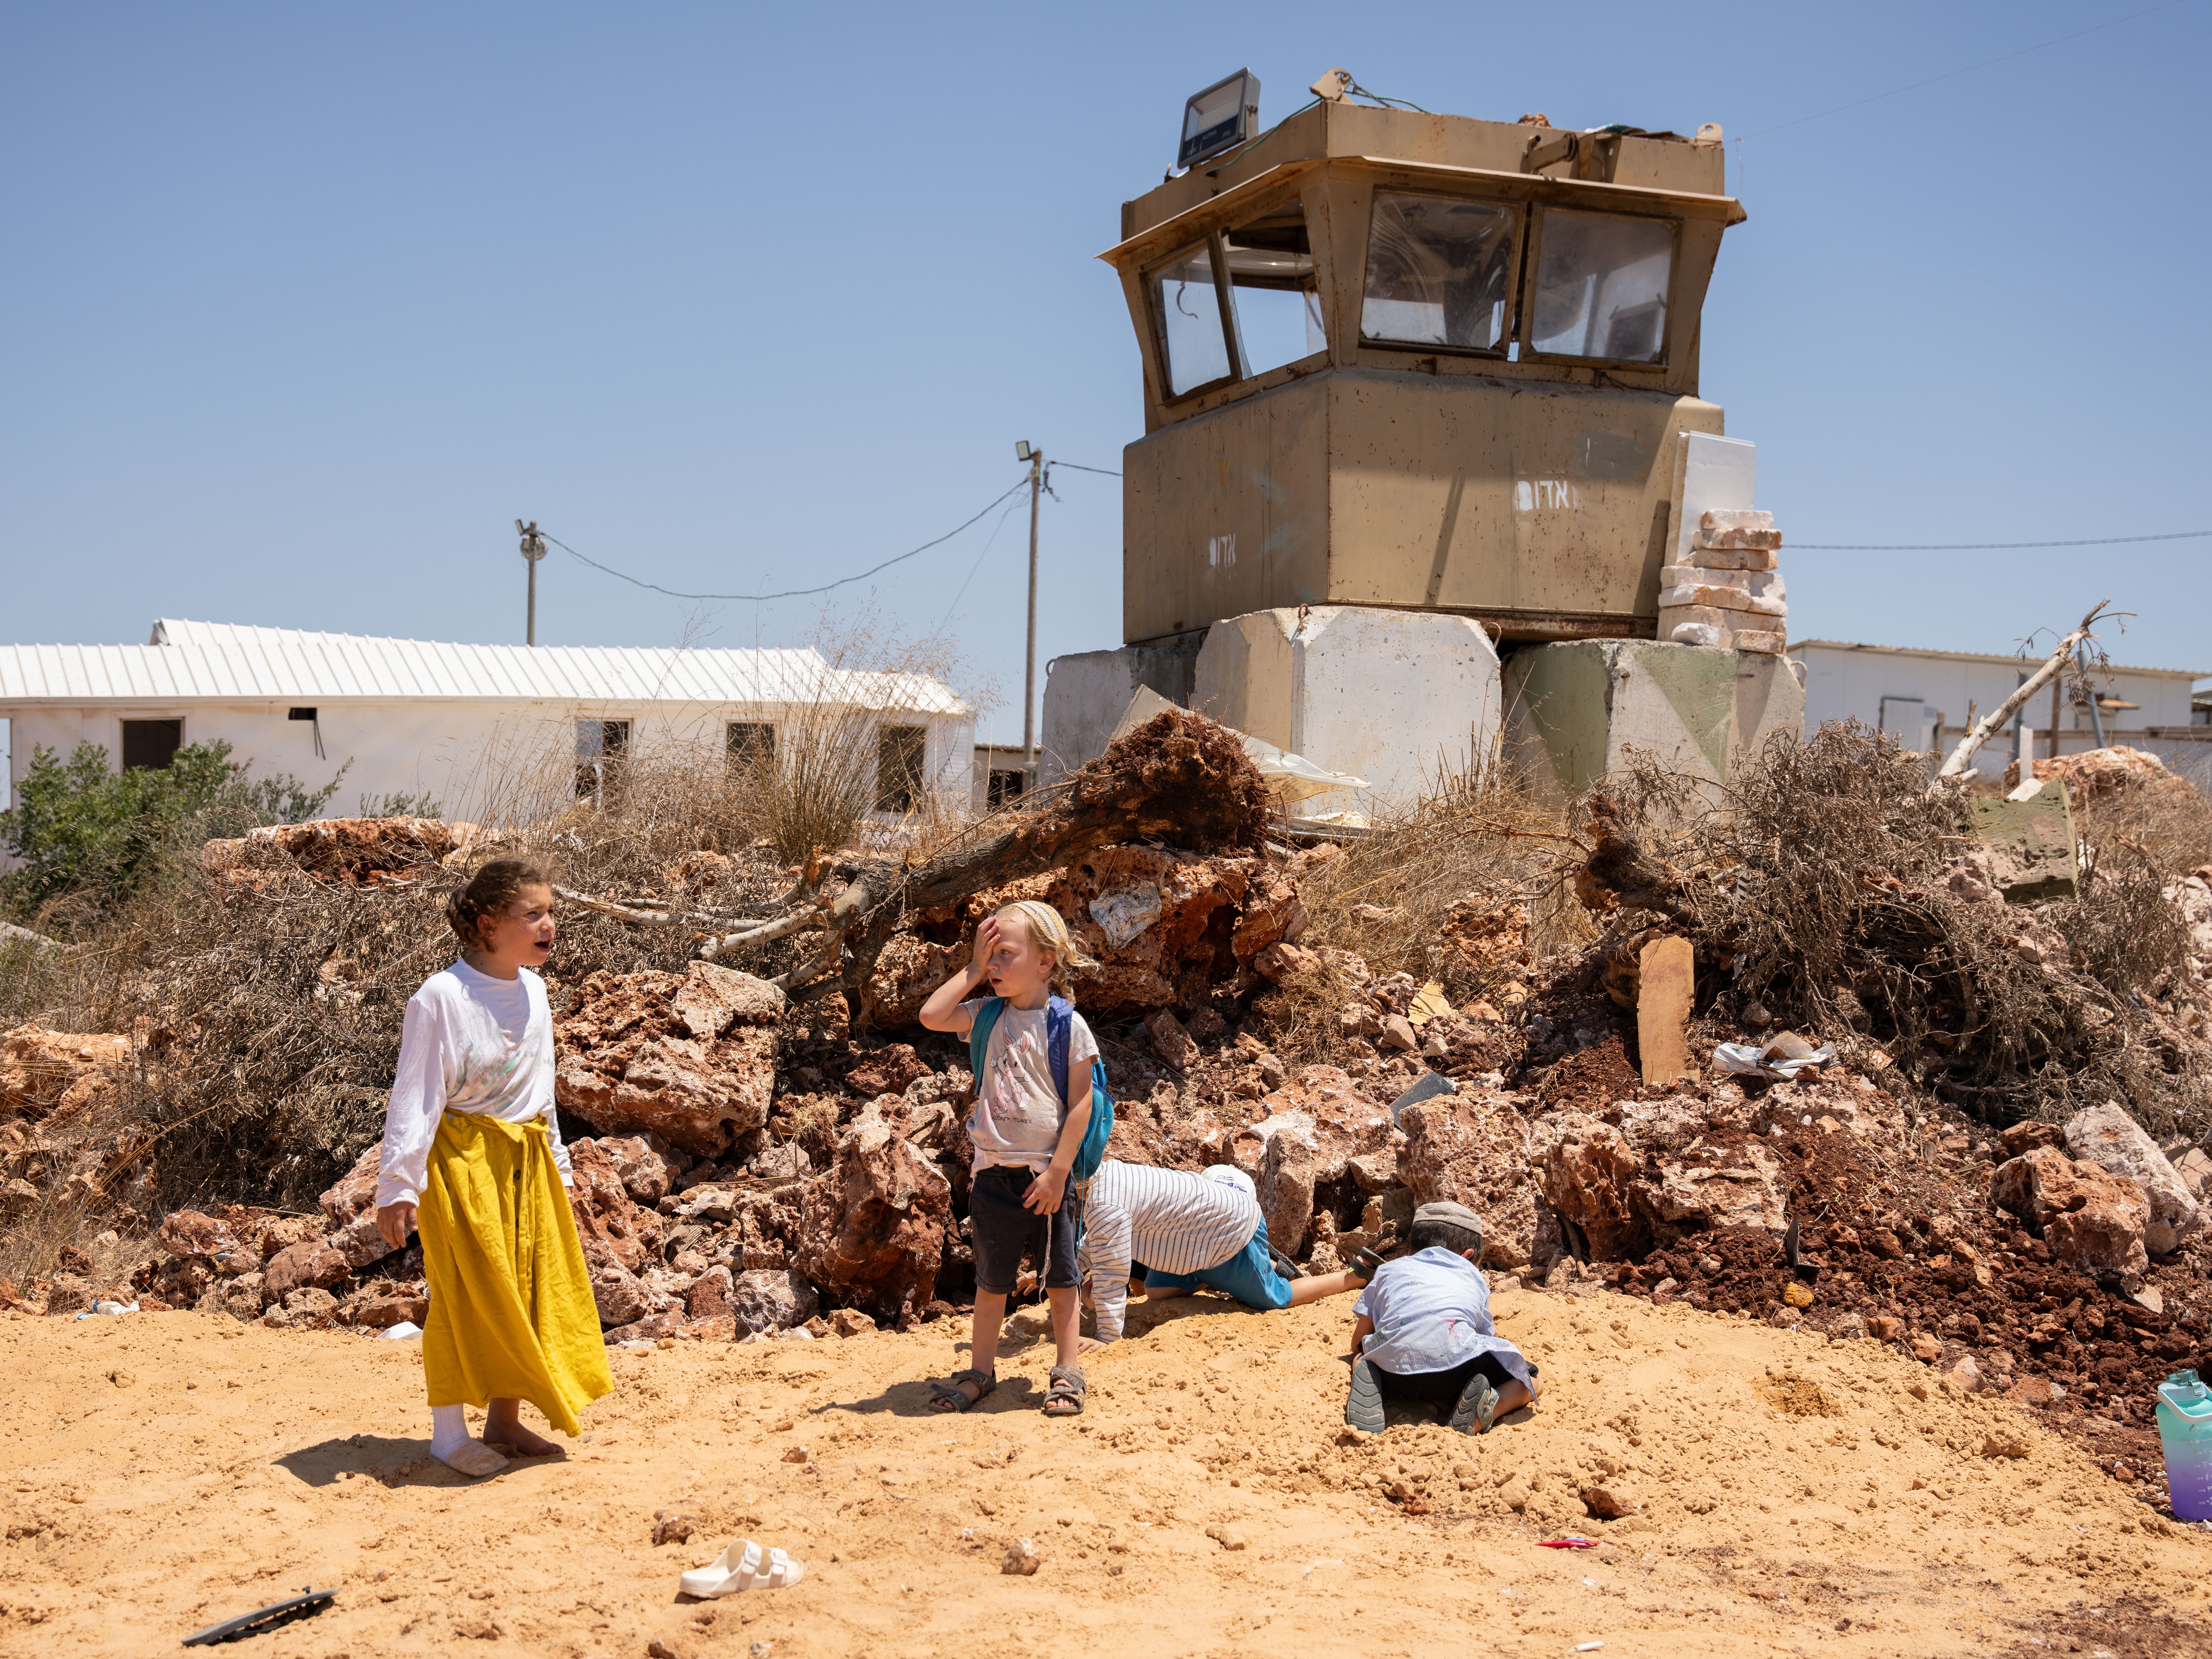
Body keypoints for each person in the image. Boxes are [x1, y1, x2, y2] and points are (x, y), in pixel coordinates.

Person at [372, 858, 612, 1477]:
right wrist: (398, 1184)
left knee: (525, 1289)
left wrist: (558, 1166)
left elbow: (542, 1090)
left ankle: (503, 1422)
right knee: (461, 1296)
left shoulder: (533, 991)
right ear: (486, 924)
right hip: (461, 1166)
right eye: (532, 914)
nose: (548, 924)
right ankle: (448, 1436)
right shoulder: (440, 998)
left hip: (526, 1163)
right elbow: (415, 1096)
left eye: (551, 911)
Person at [915, 900, 1097, 1417]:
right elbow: (931, 1016)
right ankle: (980, 1372)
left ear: (1046, 961)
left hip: (1048, 1176)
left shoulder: (1068, 1025)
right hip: (993, 1173)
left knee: (1061, 1281)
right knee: (991, 1281)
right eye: (989, 955)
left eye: (1006, 955)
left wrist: (1060, 1171)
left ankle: (1068, 1371)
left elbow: (1082, 1102)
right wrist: (972, 969)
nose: (994, 966)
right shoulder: (987, 1016)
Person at [1076, 1160, 1366, 1345]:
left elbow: (1111, 1273)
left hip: (1231, 1236)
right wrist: (1058, 1271)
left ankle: (1352, 1276)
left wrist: (1107, 1338)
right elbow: (1098, 1239)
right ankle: (1233, 1273)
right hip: (1190, 1240)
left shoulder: (1105, 1202)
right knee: (1156, 1289)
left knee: (1276, 1299)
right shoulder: (1108, 1179)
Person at [1343, 1202, 1539, 1435]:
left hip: (1393, 1374)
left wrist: (1365, 1352)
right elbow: (1485, 1337)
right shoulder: (1472, 1276)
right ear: (1468, 1257)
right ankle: (1481, 1415)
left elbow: (1358, 1340)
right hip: (1453, 1377)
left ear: (1409, 1251)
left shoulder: (1389, 1270)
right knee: (1531, 1380)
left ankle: (1367, 1377)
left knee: (1363, 1355)